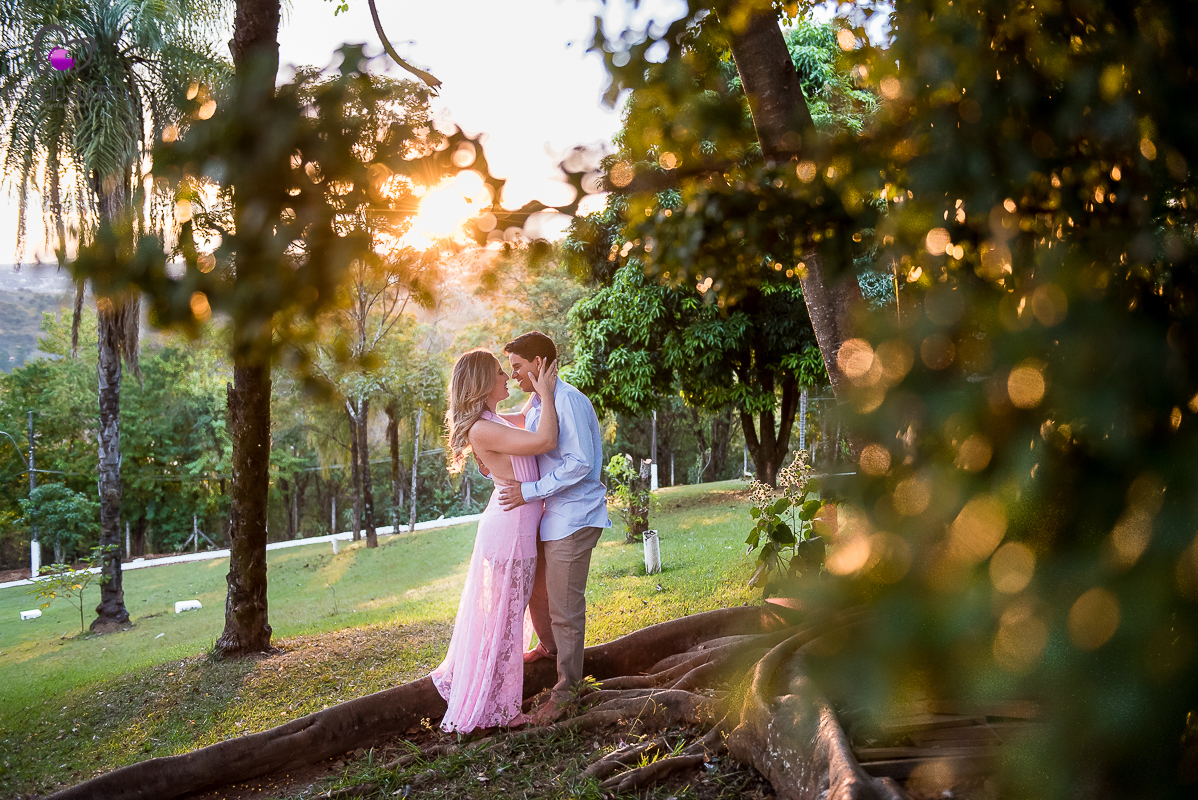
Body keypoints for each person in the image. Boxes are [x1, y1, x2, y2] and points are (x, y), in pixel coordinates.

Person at [430, 348, 559, 733]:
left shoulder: (492, 419)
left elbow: (528, 420)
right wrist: (548, 394)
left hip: (513, 526)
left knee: (508, 617)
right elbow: (545, 439)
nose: (507, 378)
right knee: (504, 621)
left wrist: (538, 390)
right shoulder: (483, 429)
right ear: (484, 383)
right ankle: (501, 709)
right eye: (501, 373)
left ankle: (502, 695)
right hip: (509, 531)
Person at [496, 331, 611, 724]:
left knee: (564, 608)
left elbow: (580, 463)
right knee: (537, 596)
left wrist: (530, 491)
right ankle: (550, 650)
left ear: (540, 364)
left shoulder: (568, 401)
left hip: (575, 518)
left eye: (517, 367)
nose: (512, 376)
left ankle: (568, 692)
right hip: (551, 518)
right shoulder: (537, 405)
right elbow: (522, 435)